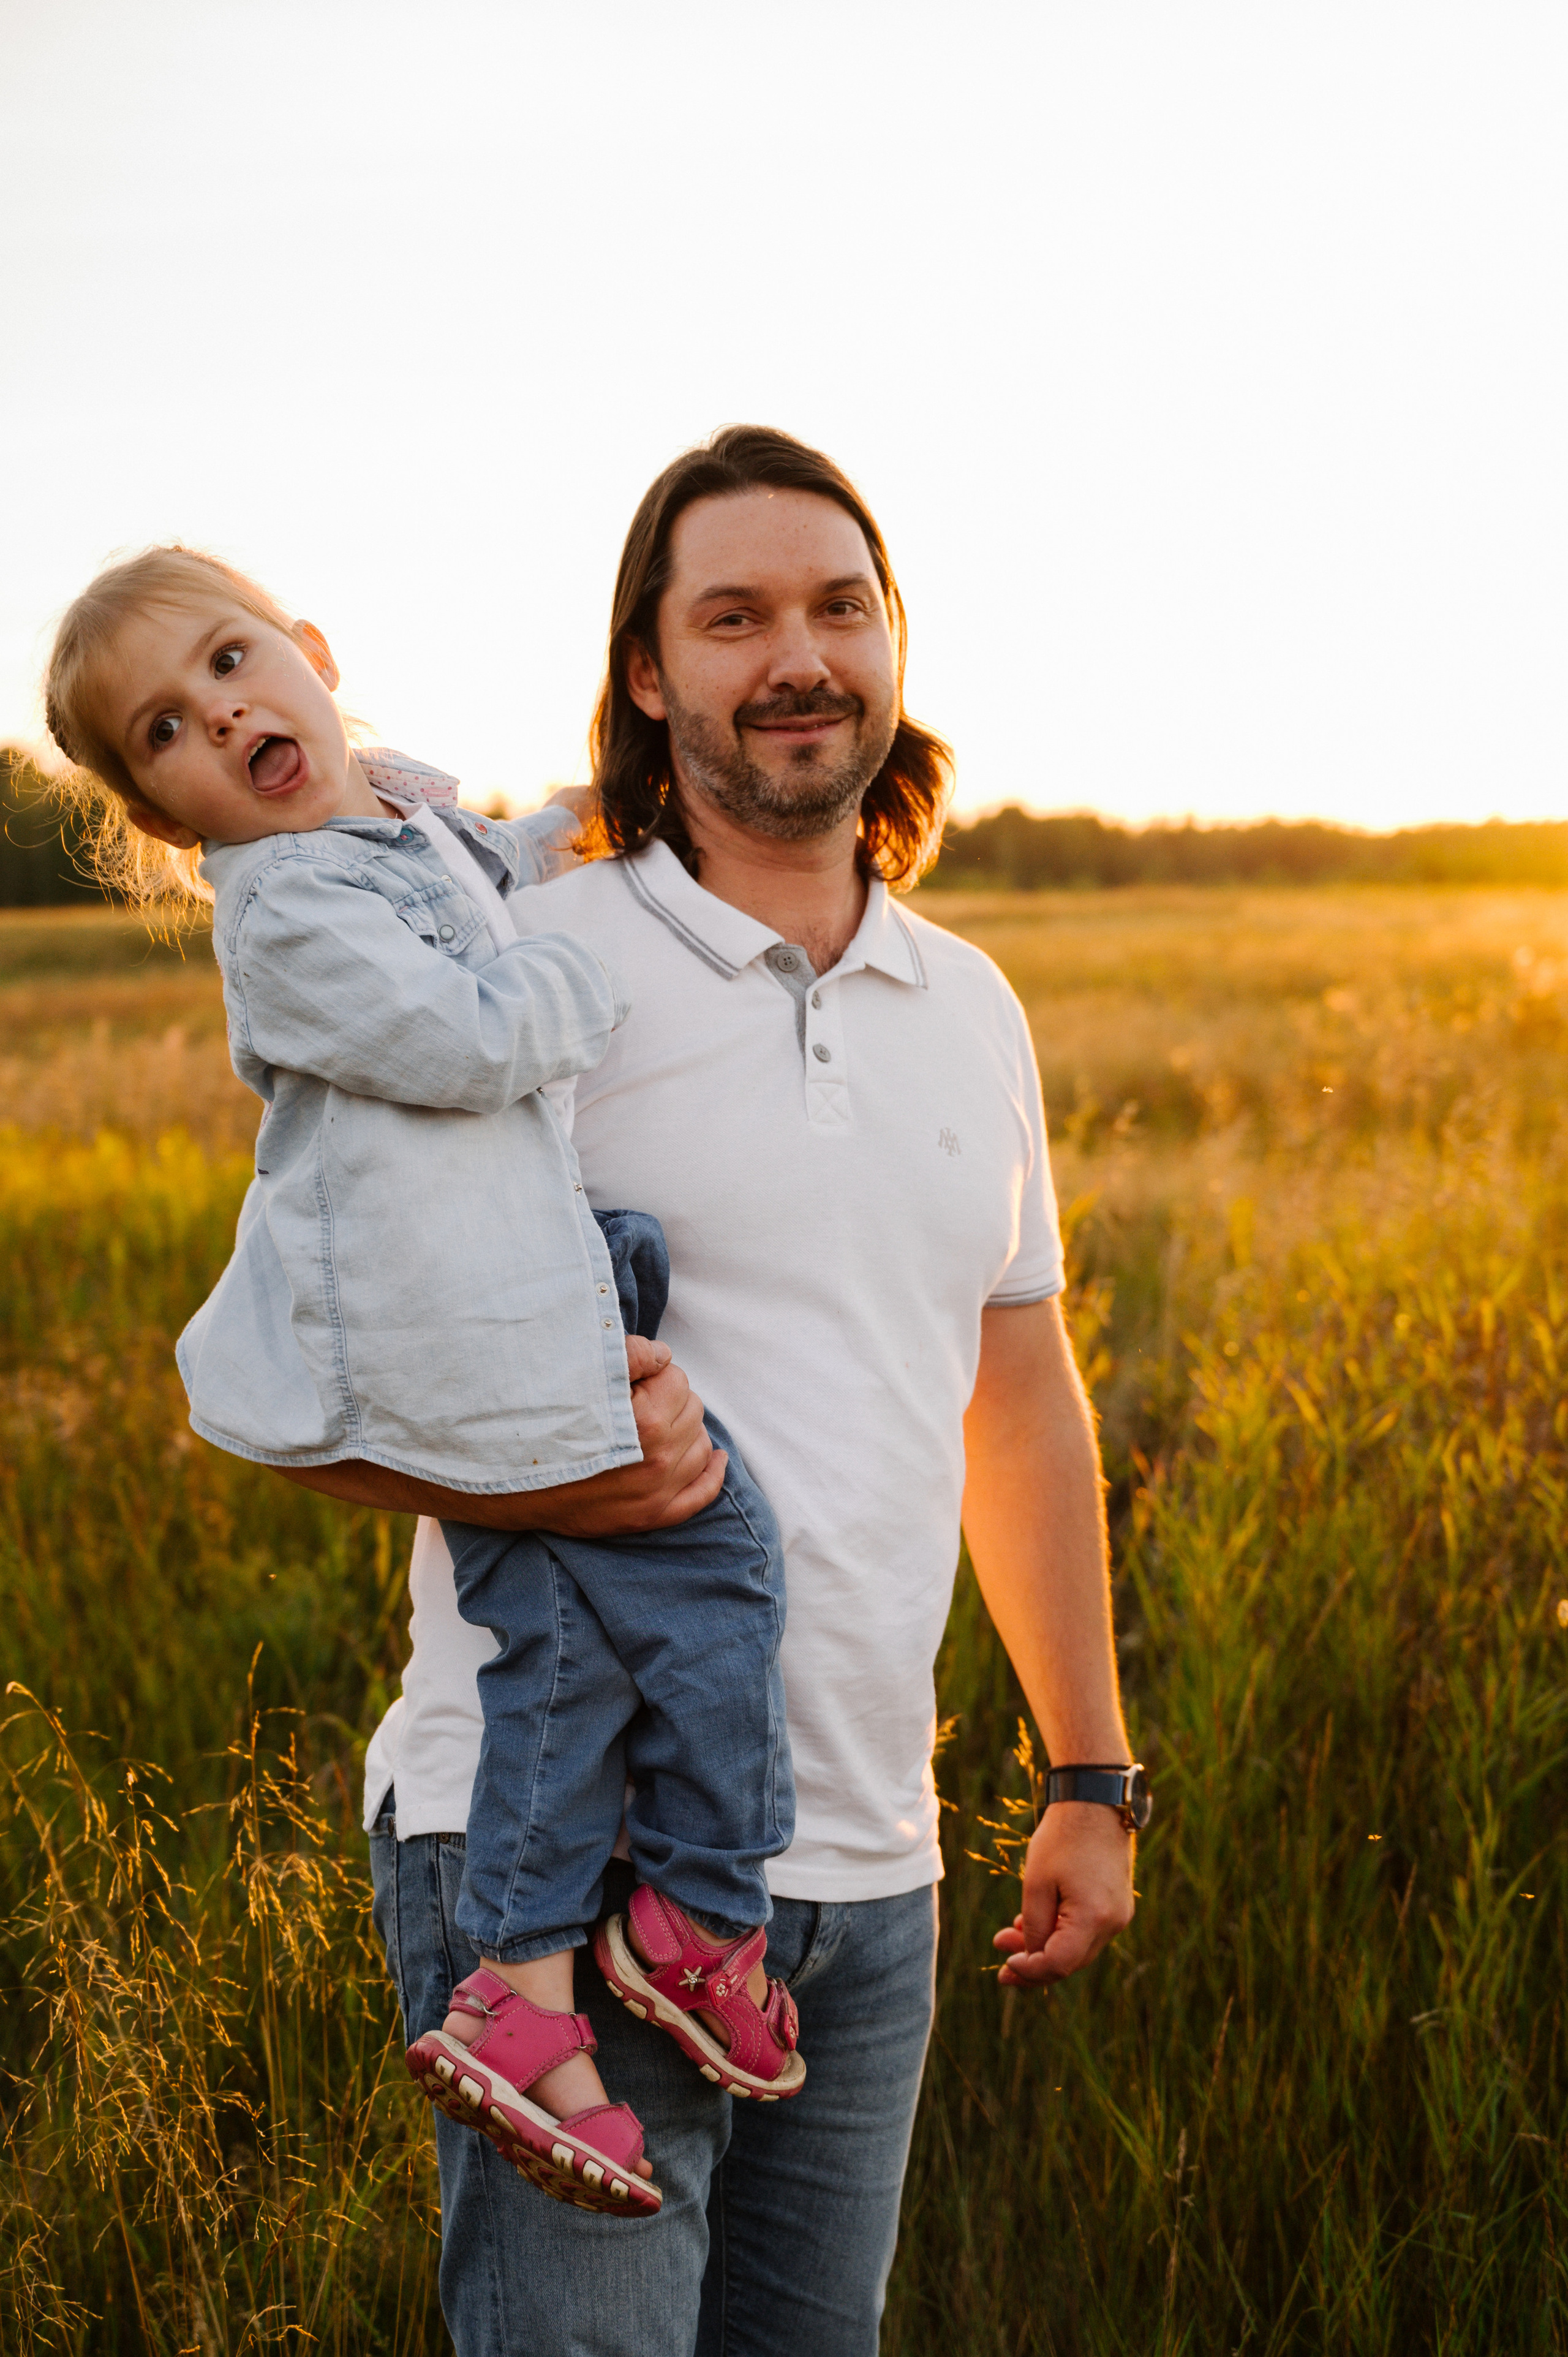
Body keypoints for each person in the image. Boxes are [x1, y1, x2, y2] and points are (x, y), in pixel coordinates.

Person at [288, 425, 1141, 2357]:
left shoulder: (973, 1003)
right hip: (562, 1869)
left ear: (895, 644)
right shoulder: (520, 971)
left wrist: (1089, 1773)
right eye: (735, 614)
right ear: (651, 671)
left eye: (840, 606)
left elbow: (1013, 1397)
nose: (798, 656)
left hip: (867, 1877)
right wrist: (579, 1477)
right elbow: (302, 1383)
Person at [40, 546, 812, 2222]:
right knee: (574, 1645)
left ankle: (664, 1926)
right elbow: (468, 1034)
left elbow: (479, 868)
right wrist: (583, 969)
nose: (221, 712)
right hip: (455, 1348)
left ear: (311, 653)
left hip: (523, 1300)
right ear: (169, 820)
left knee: (686, 1589)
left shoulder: (387, 826)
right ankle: (547, 1986)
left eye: (234, 662)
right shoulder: (291, 910)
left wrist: (567, 843)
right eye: (165, 728)